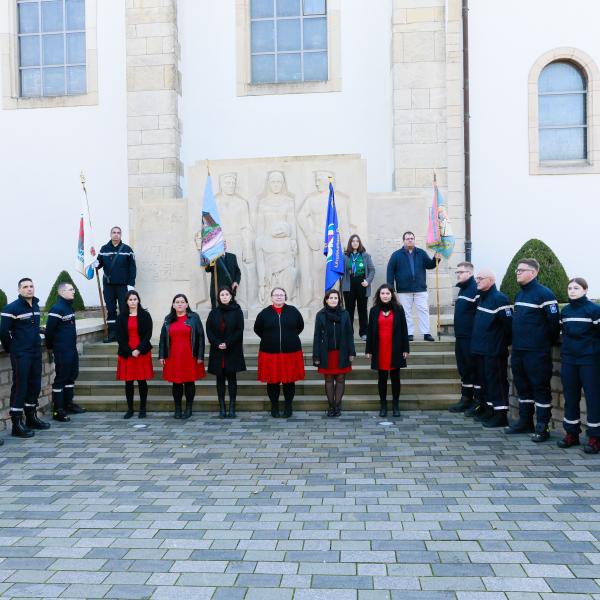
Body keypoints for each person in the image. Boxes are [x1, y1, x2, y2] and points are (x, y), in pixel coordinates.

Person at [505, 258, 560, 442]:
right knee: (523, 387)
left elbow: (553, 325)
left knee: (540, 388)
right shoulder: (520, 295)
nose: (517, 273)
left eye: (521, 270)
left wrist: (543, 342)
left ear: (534, 272)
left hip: (537, 352)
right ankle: (525, 421)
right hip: (519, 350)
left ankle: (542, 427)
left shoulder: (545, 294)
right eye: (517, 270)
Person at [0, 278, 50, 438]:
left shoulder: (35, 305)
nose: (29, 289)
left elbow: (32, 327)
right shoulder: (11, 308)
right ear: (19, 290)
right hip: (21, 353)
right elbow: (3, 333)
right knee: (20, 386)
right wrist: (13, 349)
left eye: (31, 286)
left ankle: (31, 417)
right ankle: (16, 423)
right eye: (25, 287)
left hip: (35, 352)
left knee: (35, 384)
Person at [557, 278, 600, 454]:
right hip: (569, 360)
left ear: (585, 290)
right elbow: (562, 335)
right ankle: (571, 434)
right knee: (570, 397)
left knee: (593, 399)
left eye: (576, 288)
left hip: (589, 361)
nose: (572, 291)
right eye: (569, 288)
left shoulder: (594, 310)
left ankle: (595, 438)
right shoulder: (565, 311)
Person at [469, 269, 513, 428]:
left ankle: (501, 415)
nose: (477, 281)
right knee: (486, 382)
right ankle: (490, 410)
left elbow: (509, 326)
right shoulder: (483, 298)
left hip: (494, 350)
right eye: (477, 278)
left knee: (497, 382)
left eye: (480, 278)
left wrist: (500, 343)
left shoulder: (499, 299)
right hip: (480, 349)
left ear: (491, 280)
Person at [254, 287, 305, 418]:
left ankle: (288, 406)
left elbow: (300, 326)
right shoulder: (264, 313)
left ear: (285, 297)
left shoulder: (293, 311)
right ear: (271, 297)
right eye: (276, 295)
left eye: (281, 295)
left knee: (289, 382)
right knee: (272, 382)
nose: (278, 297)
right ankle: (274, 406)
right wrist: (271, 339)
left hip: (290, 352)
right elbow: (258, 329)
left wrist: (288, 339)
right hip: (270, 353)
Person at [365, 284, 410, 418]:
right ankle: (383, 406)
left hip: (395, 348)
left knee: (396, 378)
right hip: (380, 349)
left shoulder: (399, 309)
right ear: (379, 295)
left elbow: (404, 329)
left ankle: (395, 406)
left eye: (387, 293)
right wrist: (369, 350)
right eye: (382, 293)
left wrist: (405, 348)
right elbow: (370, 331)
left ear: (392, 295)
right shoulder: (373, 311)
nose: (385, 296)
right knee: (382, 379)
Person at [386, 231, 440, 341]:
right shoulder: (396, 255)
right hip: (403, 290)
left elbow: (430, 265)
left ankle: (426, 333)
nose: (410, 240)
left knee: (423, 310)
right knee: (406, 312)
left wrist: (436, 259)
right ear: (403, 241)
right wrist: (391, 289)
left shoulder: (421, 253)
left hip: (420, 288)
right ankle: (409, 333)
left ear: (414, 240)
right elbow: (390, 271)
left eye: (411, 238)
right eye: (407, 238)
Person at [159, 294, 205, 419]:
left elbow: (201, 336)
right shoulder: (168, 319)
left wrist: (200, 355)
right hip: (173, 356)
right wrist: (161, 355)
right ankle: (178, 408)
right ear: (173, 305)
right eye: (177, 302)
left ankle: (189, 408)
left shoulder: (194, 318)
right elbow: (163, 338)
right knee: (176, 383)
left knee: (189, 382)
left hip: (190, 355)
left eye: (182, 302)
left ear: (187, 304)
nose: (179, 304)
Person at [45, 282, 85, 422]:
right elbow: (49, 331)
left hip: (71, 349)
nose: (73, 291)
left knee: (71, 375)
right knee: (61, 378)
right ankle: (58, 410)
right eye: (70, 289)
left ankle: (68, 404)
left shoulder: (69, 307)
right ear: (62, 292)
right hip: (62, 350)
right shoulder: (56, 309)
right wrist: (51, 347)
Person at [313, 290, 355, 417]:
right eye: (330, 298)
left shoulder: (345, 314)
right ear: (326, 300)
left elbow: (349, 333)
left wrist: (351, 351)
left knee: (341, 379)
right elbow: (316, 336)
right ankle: (331, 406)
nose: (333, 300)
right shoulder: (320, 315)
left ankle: (337, 405)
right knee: (329, 379)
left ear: (339, 300)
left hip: (342, 352)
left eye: (335, 298)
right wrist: (316, 356)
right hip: (326, 353)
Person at [206, 286, 246, 418]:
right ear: (219, 297)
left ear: (231, 296)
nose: (224, 297)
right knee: (220, 380)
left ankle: (232, 408)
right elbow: (209, 331)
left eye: (226, 294)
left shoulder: (237, 311)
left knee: (232, 379)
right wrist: (217, 343)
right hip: (217, 351)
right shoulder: (214, 312)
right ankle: (222, 407)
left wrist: (227, 343)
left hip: (232, 350)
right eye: (222, 295)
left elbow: (239, 330)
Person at [448, 262, 482, 413]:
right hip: (460, 337)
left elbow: (479, 315)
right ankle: (465, 398)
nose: (458, 275)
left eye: (461, 272)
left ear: (470, 273)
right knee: (464, 369)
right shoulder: (462, 290)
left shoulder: (475, 289)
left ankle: (478, 400)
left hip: (470, 337)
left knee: (473, 369)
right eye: (457, 272)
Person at [116, 291, 153, 419]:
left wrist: (138, 349)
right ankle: (130, 409)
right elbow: (119, 337)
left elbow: (148, 334)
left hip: (141, 352)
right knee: (129, 382)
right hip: (127, 353)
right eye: (130, 299)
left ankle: (143, 409)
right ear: (126, 301)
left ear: (138, 300)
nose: (132, 301)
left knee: (142, 381)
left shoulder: (145, 315)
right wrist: (130, 351)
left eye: (135, 299)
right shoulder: (121, 317)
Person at [97, 226, 136, 343]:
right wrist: (95, 263)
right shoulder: (104, 249)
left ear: (121, 235)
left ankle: (124, 334)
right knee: (111, 310)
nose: (116, 235)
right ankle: (112, 334)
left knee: (124, 309)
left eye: (118, 233)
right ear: (110, 234)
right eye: (114, 232)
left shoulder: (127, 249)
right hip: (108, 286)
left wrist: (131, 284)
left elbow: (132, 268)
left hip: (123, 286)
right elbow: (99, 264)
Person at [341, 234, 376, 341]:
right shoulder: (345, 256)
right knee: (349, 310)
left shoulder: (365, 255)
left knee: (362, 309)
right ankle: (349, 333)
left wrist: (368, 281)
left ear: (359, 243)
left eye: (357, 241)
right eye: (353, 241)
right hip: (349, 284)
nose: (355, 243)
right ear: (350, 243)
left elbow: (372, 270)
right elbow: (340, 269)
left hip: (362, 284)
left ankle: (364, 333)